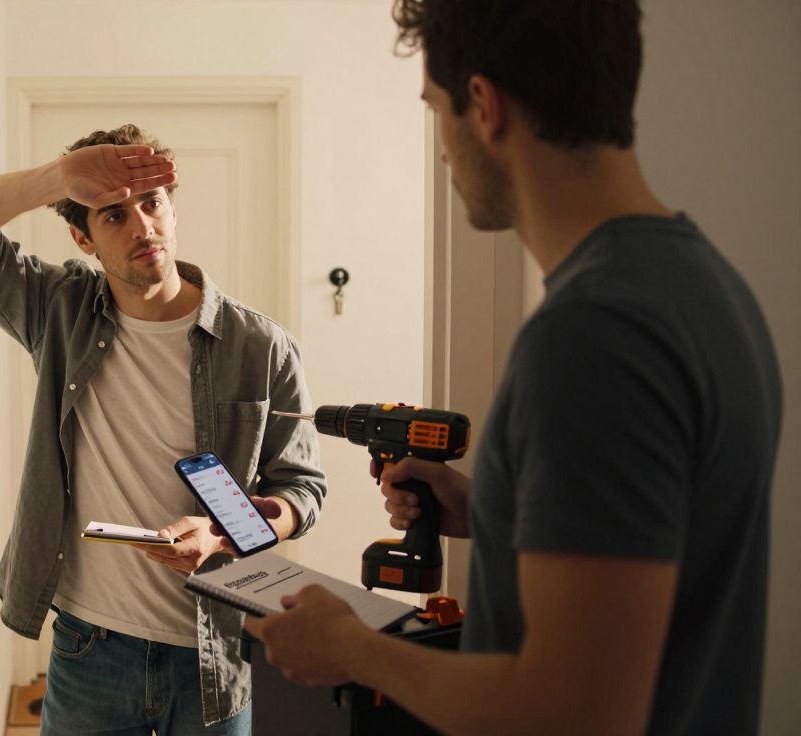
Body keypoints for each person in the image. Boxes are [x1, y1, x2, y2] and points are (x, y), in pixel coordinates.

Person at [241, 2, 783, 734]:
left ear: (485, 106)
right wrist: (495, 509)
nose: (441, 148)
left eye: (436, 110)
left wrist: (354, 649)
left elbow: (573, 713)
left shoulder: (594, 335)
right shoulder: (701, 282)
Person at [0, 124, 326, 734]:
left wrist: (221, 534)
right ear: (83, 237)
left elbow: (302, 490)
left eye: (152, 203)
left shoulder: (260, 346)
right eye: (114, 214)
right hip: (92, 650)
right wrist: (61, 177)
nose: (142, 228)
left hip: (214, 654)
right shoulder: (60, 310)